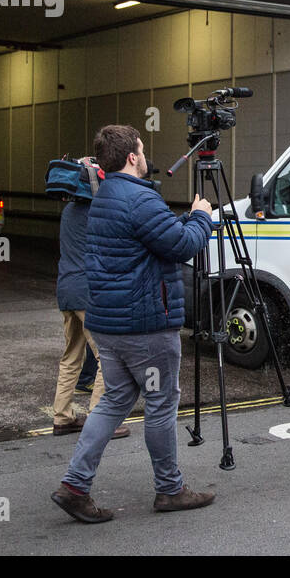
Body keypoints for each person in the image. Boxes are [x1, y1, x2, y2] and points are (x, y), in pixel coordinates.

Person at [51, 125, 216, 523]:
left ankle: (75, 485)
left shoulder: (103, 196)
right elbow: (182, 246)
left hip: (109, 324)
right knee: (160, 405)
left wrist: (180, 221)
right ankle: (170, 489)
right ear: (131, 157)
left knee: (114, 401)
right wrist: (201, 218)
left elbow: (149, 239)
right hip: (146, 326)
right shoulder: (141, 198)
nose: (145, 155)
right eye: (141, 150)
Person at [52, 196, 129, 440]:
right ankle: (100, 420)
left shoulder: (68, 210)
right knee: (107, 357)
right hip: (87, 293)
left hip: (66, 290)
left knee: (71, 357)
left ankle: (62, 418)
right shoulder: (97, 210)